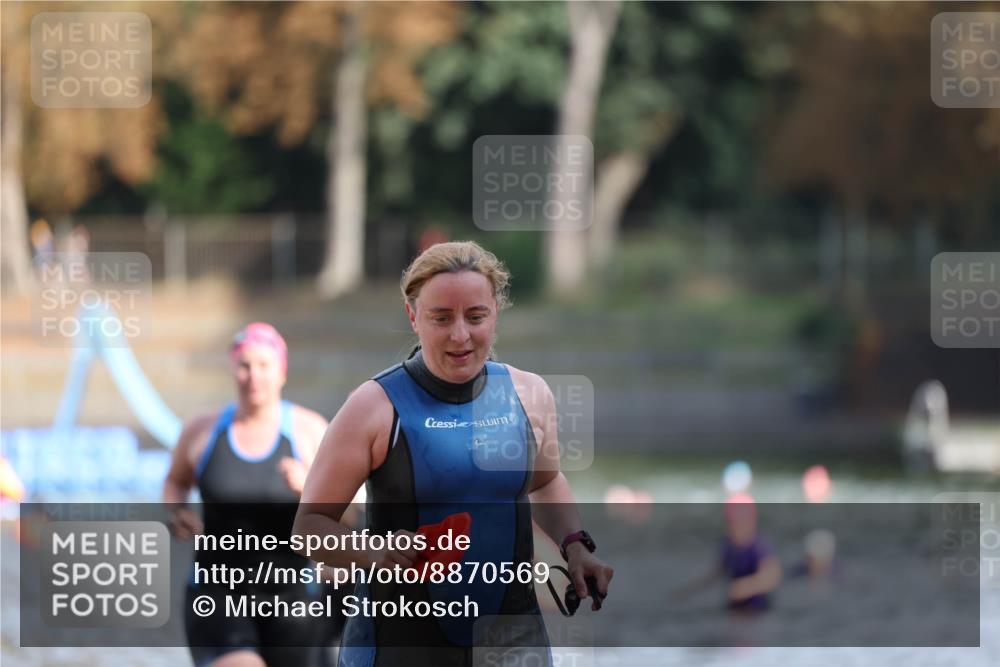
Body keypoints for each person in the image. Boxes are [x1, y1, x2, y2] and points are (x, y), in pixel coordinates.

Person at [293, 241, 614, 667]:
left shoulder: (529, 394)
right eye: (441, 318)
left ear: (495, 312)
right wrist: (374, 553)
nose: (460, 335)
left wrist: (575, 546)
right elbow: (308, 529)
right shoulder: (372, 407)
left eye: (475, 316)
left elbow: (546, 482)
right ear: (413, 317)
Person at [163, 322, 331, 667]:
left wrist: (311, 489)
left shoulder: (310, 431)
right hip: (216, 593)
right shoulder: (202, 430)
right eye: (244, 365)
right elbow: (175, 481)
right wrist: (177, 511)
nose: (254, 375)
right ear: (232, 369)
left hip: (294, 597)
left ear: (281, 371)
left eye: (264, 365)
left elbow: (352, 511)